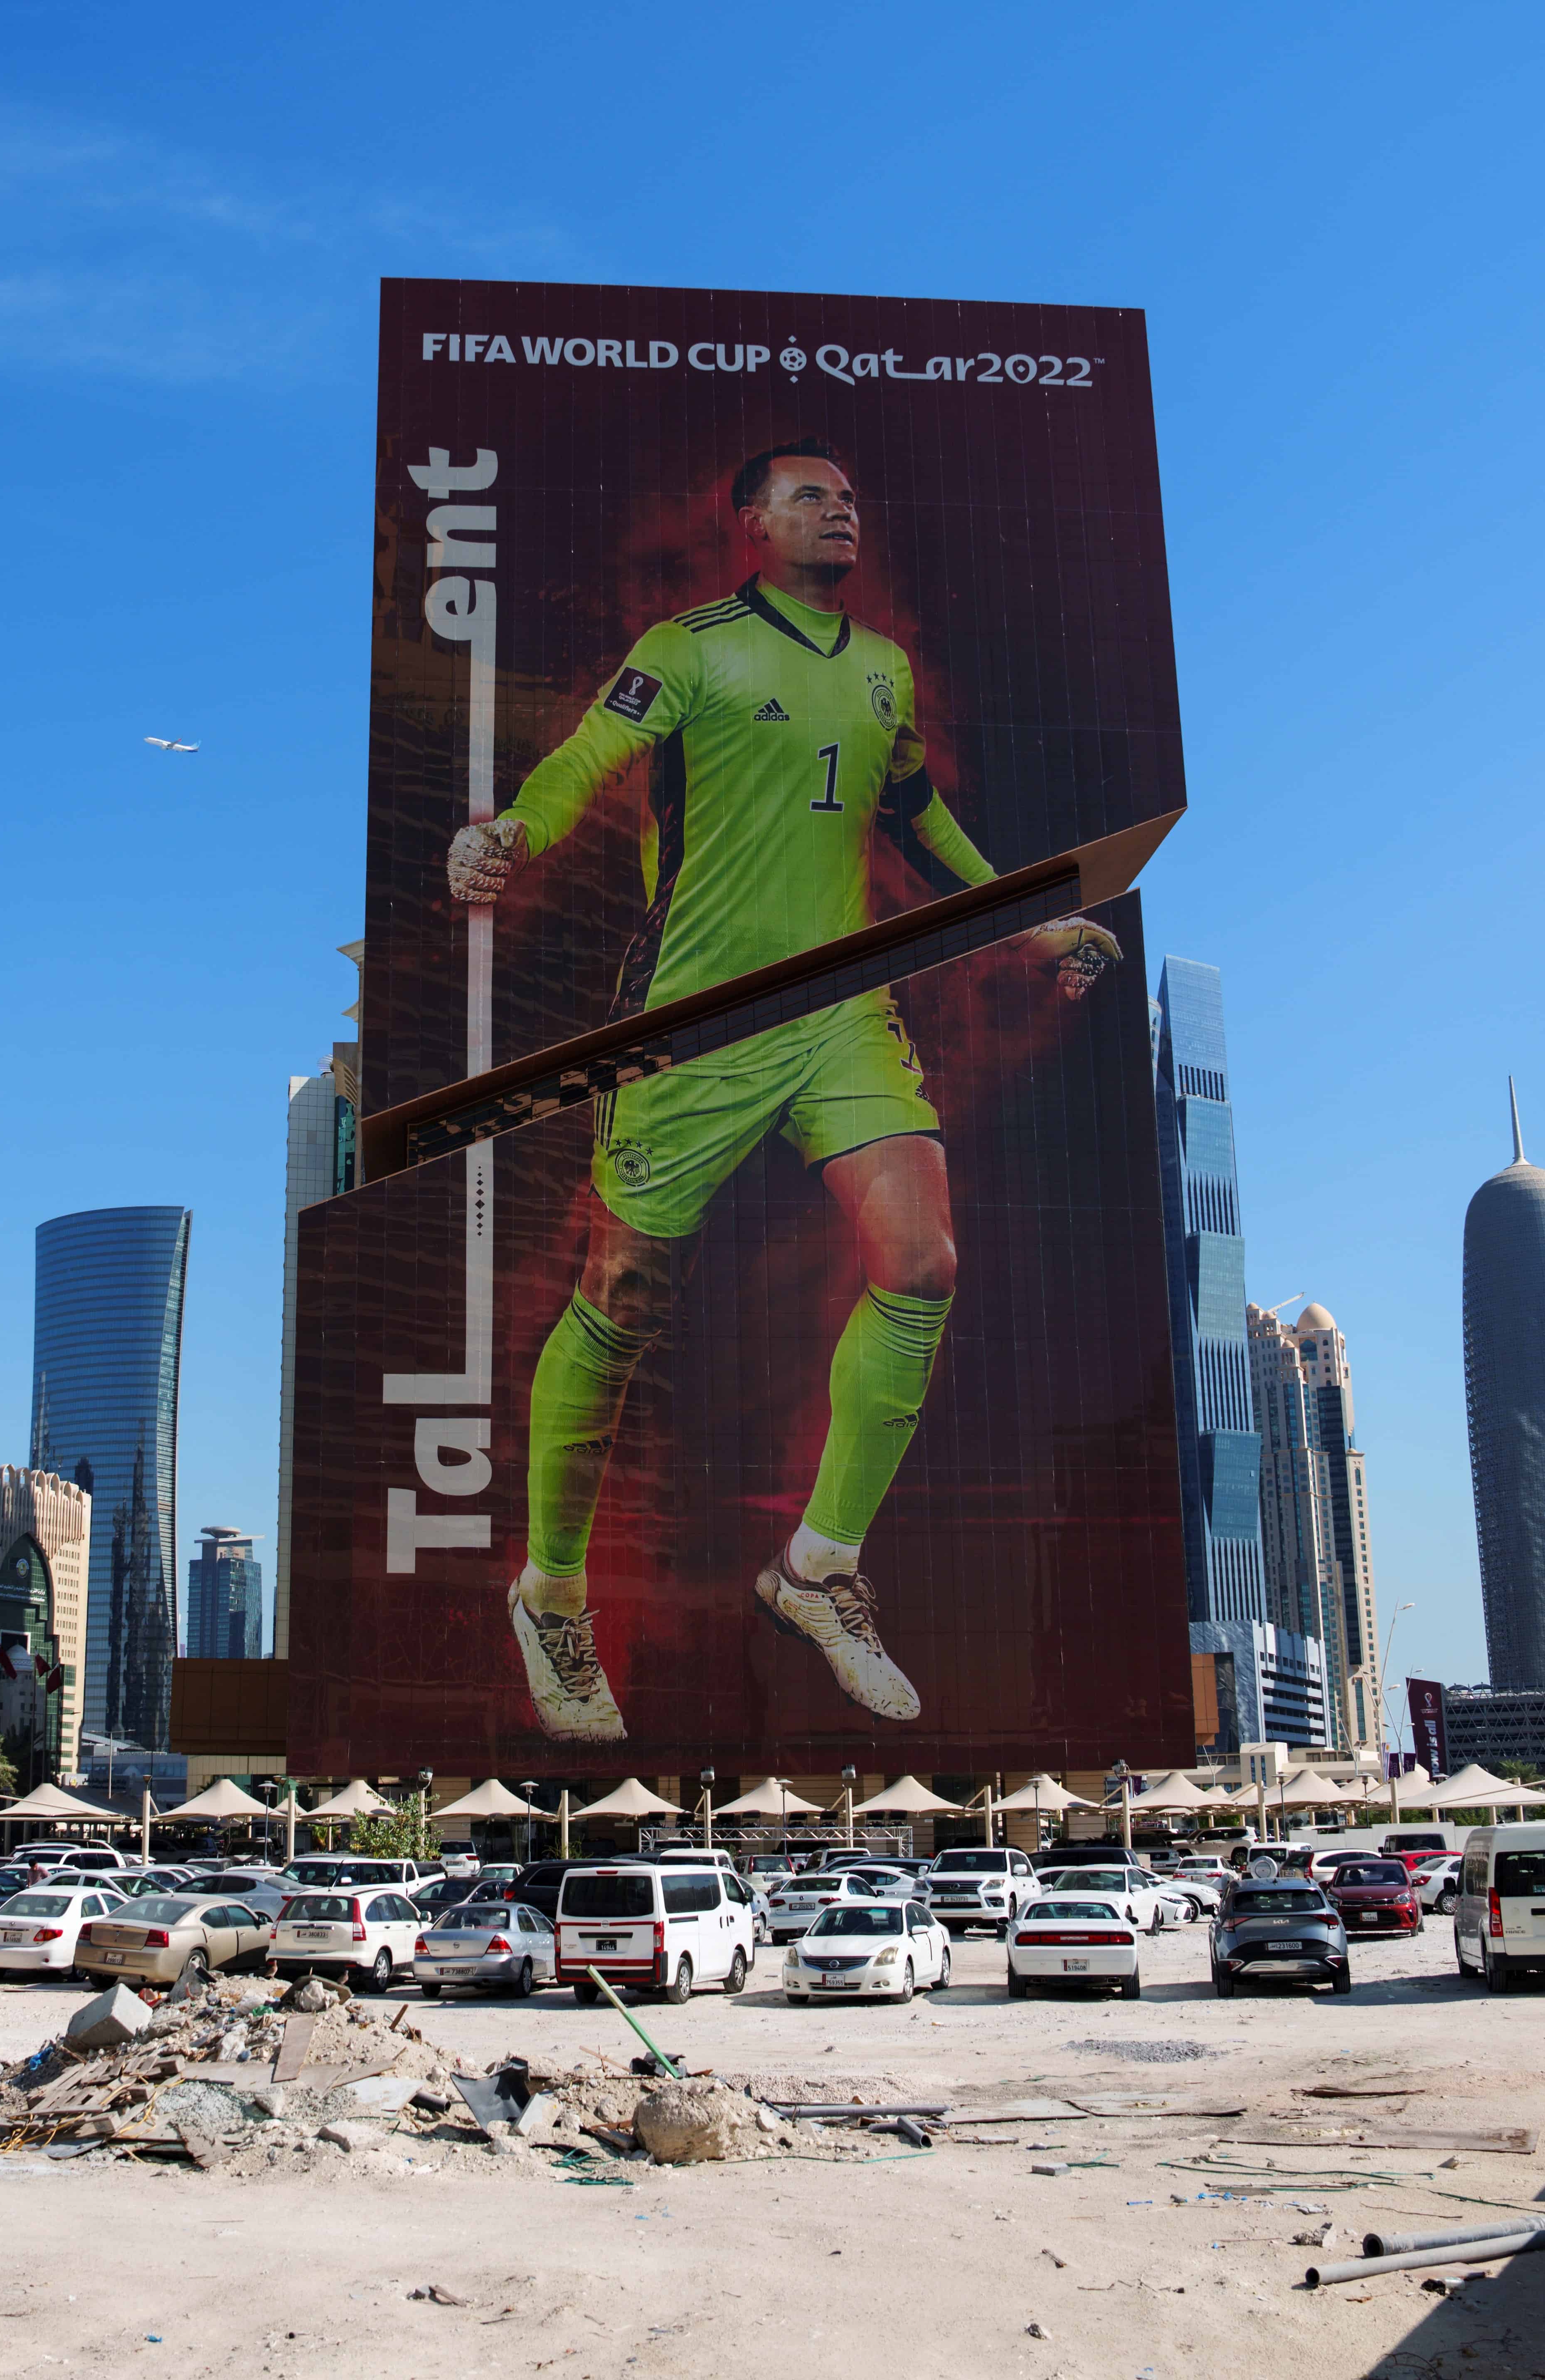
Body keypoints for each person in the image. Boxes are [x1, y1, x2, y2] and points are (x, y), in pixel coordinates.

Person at [448, 439, 1120, 1744]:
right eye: (810, 494)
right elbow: (589, 757)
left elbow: (922, 821)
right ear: (750, 522)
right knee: (623, 1299)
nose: (841, 508)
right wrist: (510, 832)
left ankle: (817, 1570)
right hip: (694, 1020)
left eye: (851, 495)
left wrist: (1031, 926)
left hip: (842, 1015)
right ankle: (550, 1591)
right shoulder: (689, 644)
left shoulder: (883, 670)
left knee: (922, 1261)